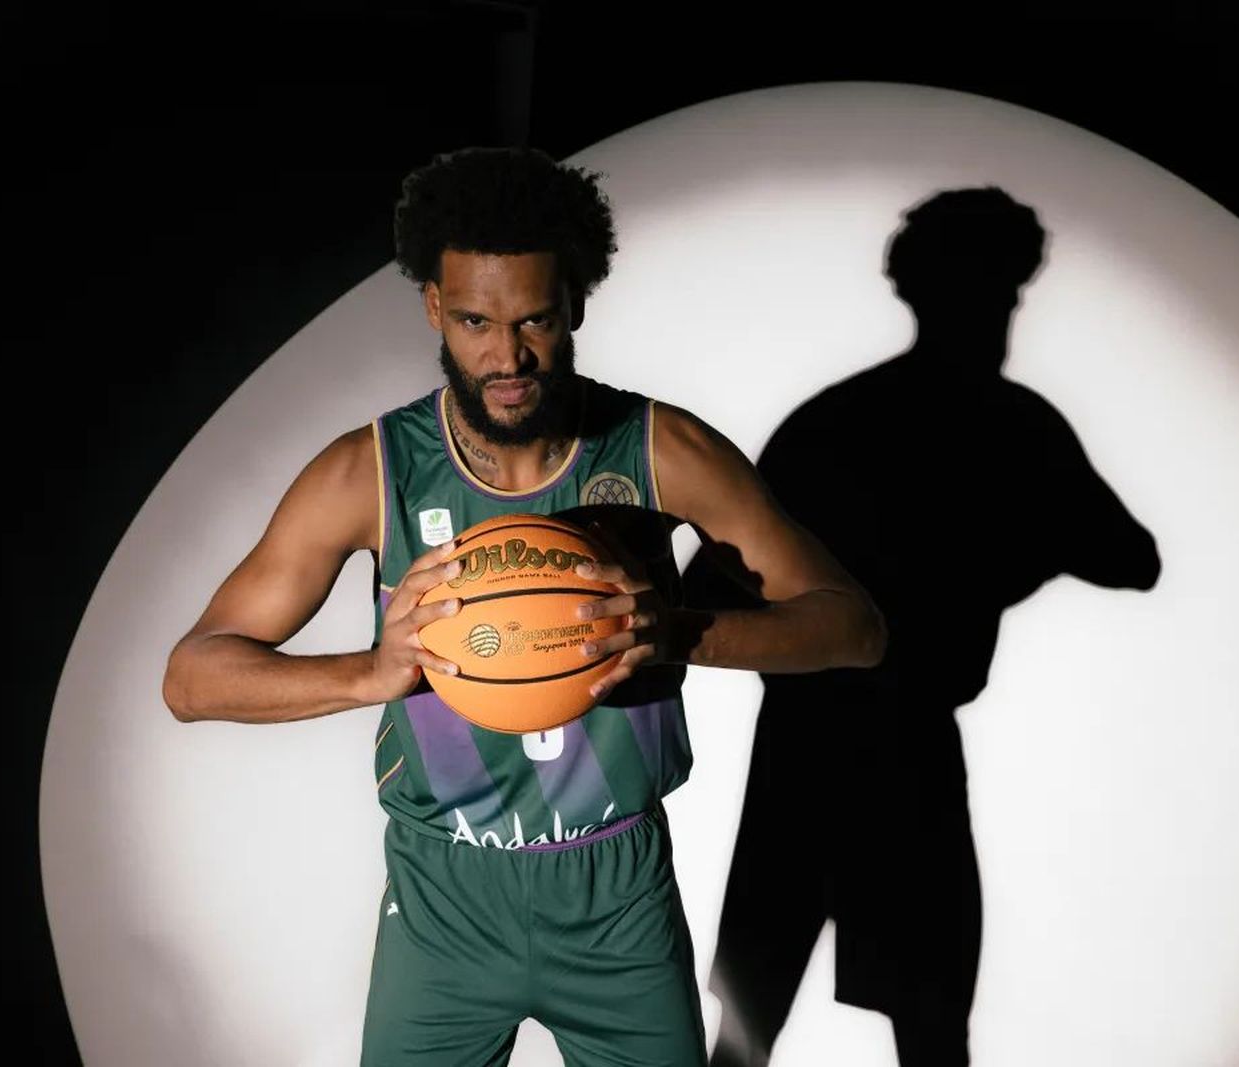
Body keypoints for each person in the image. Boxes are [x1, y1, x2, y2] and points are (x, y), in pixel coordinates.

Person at [161, 145, 887, 1067]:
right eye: (474, 321)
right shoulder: (369, 473)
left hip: (619, 899)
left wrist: (674, 632)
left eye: (534, 319)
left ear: (575, 301)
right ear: (434, 306)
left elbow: (855, 627)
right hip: (443, 903)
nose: (506, 357)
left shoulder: (660, 450)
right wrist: (369, 673)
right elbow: (192, 677)